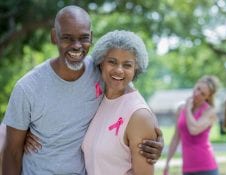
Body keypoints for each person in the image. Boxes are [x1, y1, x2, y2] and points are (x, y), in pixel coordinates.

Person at [2, 5, 163, 174]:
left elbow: (131, 98)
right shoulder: (28, 87)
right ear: (54, 37)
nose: (77, 46)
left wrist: (154, 139)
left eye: (83, 38)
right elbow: (11, 151)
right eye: (67, 38)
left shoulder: (100, 71)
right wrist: (24, 133)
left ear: (91, 37)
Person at [81, 30, 158, 175]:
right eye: (112, 62)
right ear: (101, 63)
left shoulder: (139, 115)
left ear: (136, 69)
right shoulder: (97, 99)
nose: (119, 70)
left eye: (127, 65)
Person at [164, 75, 219, 175]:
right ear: (196, 84)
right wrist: (168, 162)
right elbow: (176, 137)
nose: (197, 94)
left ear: (208, 97)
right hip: (187, 168)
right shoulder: (180, 109)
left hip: (206, 167)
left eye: (203, 94)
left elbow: (193, 130)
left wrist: (188, 109)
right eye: (198, 88)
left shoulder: (209, 112)